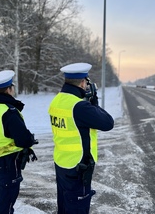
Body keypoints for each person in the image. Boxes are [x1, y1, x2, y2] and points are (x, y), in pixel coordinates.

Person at [48, 63, 114, 214]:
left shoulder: (57, 100)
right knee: (78, 208)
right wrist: (94, 102)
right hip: (78, 167)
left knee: (64, 206)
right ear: (83, 83)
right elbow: (108, 123)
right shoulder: (79, 107)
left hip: (61, 162)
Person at [0, 70, 38, 214]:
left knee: (4, 201)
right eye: (12, 86)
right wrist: (30, 139)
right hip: (7, 164)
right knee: (5, 204)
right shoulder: (8, 112)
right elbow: (23, 139)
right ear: (8, 89)